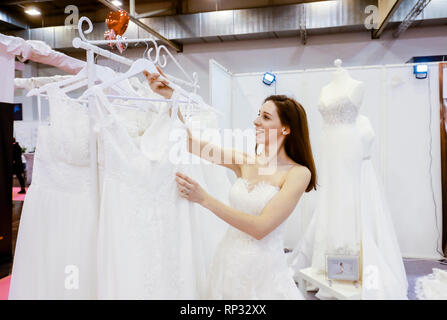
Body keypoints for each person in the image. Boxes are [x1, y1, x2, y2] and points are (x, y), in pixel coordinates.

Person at [145, 67, 317, 299]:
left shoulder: (298, 173)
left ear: (286, 128)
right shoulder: (245, 160)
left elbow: (261, 228)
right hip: (228, 263)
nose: (256, 121)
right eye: (258, 114)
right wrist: (170, 97)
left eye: (265, 117)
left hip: (263, 275)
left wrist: (204, 199)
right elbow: (190, 144)